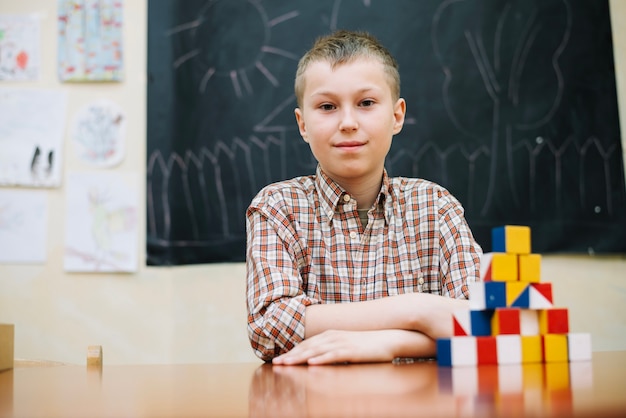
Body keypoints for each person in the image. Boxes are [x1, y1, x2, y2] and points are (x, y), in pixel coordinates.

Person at [246, 30, 482, 365]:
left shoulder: (436, 207)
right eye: (327, 106)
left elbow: (484, 324)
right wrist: (418, 310)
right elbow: (270, 326)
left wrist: (389, 344)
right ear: (302, 124)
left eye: (366, 103)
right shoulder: (277, 207)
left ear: (397, 115)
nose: (347, 122)